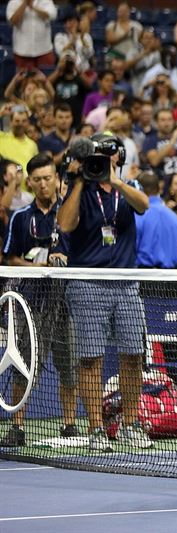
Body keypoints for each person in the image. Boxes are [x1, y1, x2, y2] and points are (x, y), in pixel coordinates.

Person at [56, 135, 152, 453]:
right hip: (88, 283)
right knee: (90, 360)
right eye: (97, 156)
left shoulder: (128, 186)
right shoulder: (80, 189)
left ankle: (131, 424)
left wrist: (117, 182)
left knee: (134, 356)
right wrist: (82, 181)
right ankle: (96, 428)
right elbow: (66, 225)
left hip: (126, 282)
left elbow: (144, 205)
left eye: (108, 156)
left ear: (118, 158)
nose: (103, 161)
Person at [0, 153, 77, 447]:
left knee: (69, 366)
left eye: (49, 178)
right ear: (30, 183)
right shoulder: (21, 217)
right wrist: (37, 268)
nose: (44, 185)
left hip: (67, 301)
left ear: (57, 179)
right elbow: (10, 258)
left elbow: (80, 254)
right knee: (25, 365)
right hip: (31, 303)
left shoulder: (71, 214)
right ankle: (17, 427)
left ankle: (69, 425)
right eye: (38, 180)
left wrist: (64, 260)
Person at [135, 172, 177, 269]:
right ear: (158, 189)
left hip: (146, 277)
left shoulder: (139, 215)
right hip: (173, 278)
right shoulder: (175, 217)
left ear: (138, 189)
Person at [143, 109, 177, 182]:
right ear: (156, 122)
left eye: (169, 120)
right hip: (161, 182)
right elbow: (154, 161)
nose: (167, 123)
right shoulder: (150, 140)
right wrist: (173, 140)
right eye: (163, 120)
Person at [7, 0, 58, 70]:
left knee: (46, 79)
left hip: (44, 50)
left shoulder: (46, 1)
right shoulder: (14, 2)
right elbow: (12, 21)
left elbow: (52, 16)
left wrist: (33, 8)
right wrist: (25, 3)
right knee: (23, 79)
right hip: (22, 51)